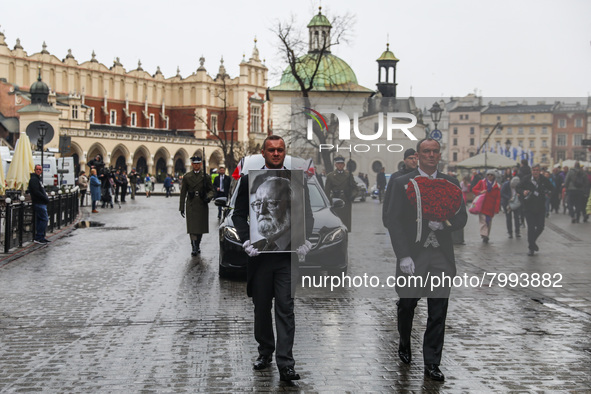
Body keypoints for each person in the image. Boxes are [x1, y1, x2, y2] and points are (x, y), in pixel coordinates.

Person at [383, 138, 467, 382]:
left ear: (439, 155)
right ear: (417, 155)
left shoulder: (450, 182)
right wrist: (403, 255)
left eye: (435, 151)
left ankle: (432, 362)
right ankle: (405, 340)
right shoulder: (401, 183)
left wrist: (445, 224)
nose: (431, 155)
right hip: (414, 255)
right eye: (426, 151)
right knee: (408, 304)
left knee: (438, 311)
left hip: (441, 256)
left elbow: (461, 217)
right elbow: (393, 220)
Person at [233, 135, 313, 382]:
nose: (276, 153)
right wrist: (246, 240)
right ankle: (265, 351)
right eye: (271, 150)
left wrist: (304, 240)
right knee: (261, 309)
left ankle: (286, 363)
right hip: (259, 258)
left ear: (284, 152)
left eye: (280, 150)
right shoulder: (249, 180)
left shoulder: (297, 182)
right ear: (263, 152)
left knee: (286, 308)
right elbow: (238, 215)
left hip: (286, 258)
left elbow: (306, 216)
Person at [179, 156, 215, 256]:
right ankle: (194, 246)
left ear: (200, 164)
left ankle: (198, 243)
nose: (196, 165)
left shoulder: (206, 177)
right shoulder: (187, 177)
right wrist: (181, 207)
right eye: (194, 164)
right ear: (192, 164)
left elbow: (211, 190)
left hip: (201, 203)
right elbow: (183, 193)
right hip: (191, 203)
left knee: (200, 227)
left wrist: (208, 197)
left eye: (198, 164)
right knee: (192, 227)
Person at [516, 164, 554, 256]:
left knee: (541, 227)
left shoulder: (543, 179)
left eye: (537, 170)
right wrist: (523, 192)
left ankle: (532, 242)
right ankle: (531, 247)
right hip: (528, 207)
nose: (535, 172)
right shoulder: (526, 179)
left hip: (540, 207)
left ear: (540, 171)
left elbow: (552, 188)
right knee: (531, 228)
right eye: (534, 170)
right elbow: (518, 187)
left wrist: (548, 193)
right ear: (531, 171)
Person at [382, 148, 418, 227]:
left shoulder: (420, 175)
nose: (414, 160)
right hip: (401, 220)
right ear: (404, 160)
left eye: (415, 158)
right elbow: (388, 199)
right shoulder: (396, 177)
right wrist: (386, 220)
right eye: (411, 158)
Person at [324, 156, 357, 231]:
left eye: (341, 164)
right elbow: (327, 191)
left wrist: (352, 196)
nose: (340, 165)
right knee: (336, 225)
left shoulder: (348, 175)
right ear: (335, 164)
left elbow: (355, 188)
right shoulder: (330, 176)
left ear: (344, 165)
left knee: (345, 224)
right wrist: (329, 202)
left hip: (346, 201)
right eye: (338, 163)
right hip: (336, 201)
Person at [471, 169, 501, 243]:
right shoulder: (482, 182)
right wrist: (480, 192)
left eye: (491, 175)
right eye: (488, 175)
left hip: (491, 207)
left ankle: (486, 235)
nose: (489, 176)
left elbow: (498, 198)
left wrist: (497, 209)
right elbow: (474, 189)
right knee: (483, 220)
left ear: (494, 176)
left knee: (488, 222)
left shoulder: (497, 186)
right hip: (482, 205)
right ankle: (484, 234)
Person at [28, 164, 51, 245]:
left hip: (41, 202)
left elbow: (41, 190)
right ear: (35, 170)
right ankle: (39, 237)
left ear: (41, 171)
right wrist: (45, 198)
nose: (38, 170)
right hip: (38, 202)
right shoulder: (34, 179)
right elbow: (36, 191)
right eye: (37, 169)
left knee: (41, 220)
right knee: (44, 219)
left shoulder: (38, 179)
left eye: (40, 169)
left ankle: (41, 237)